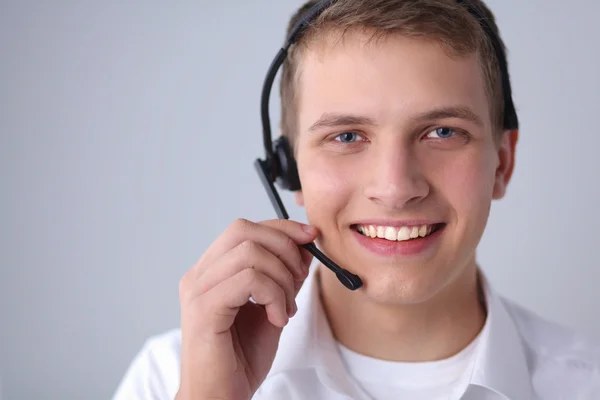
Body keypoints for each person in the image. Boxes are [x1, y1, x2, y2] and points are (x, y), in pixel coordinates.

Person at [113, 0, 600, 399]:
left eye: (442, 131)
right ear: (289, 169)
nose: (394, 187)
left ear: (503, 162)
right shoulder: (171, 377)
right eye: (347, 136)